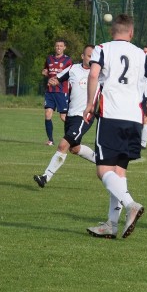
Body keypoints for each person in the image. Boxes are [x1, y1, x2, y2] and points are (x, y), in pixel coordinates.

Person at [83, 15, 147, 239]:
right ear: (131, 33)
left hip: (111, 115)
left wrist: (90, 103)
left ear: (112, 32)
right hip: (134, 119)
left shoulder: (102, 49)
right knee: (119, 172)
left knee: (103, 171)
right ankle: (112, 224)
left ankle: (131, 204)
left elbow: (93, 74)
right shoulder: (141, 54)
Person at [33, 45, 97, 188]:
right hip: (71, 115)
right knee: (74, 148)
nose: (91, 59)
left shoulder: (100, 73)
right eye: (88, 56)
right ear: (82, 56)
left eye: (94, 56)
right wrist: (52, 80)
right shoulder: (73, 68)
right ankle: (102, 161)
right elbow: (58, 79)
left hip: (84, 116)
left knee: (63, 144)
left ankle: (45, 177)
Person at [42, 39, 72, 146]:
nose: (58, 47)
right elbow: (46, 69)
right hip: (50, 91)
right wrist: (45, 72)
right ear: (55, 47)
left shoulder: (68, 60)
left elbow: (70, 74)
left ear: (64, 48)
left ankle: (72, 136)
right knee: (47, 114)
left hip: (61, 91)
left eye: (61, 46)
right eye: (57, 46)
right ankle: (50, 140)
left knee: (63, 117)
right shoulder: (49, 58)